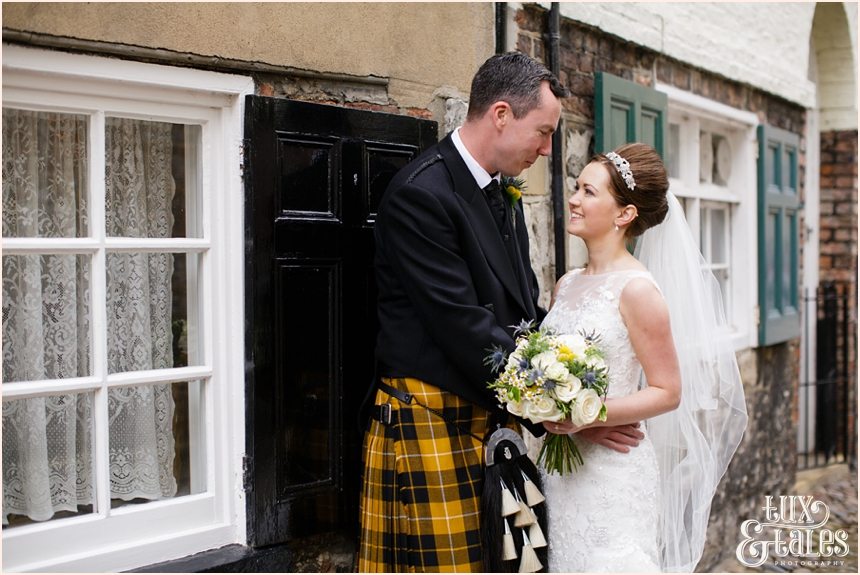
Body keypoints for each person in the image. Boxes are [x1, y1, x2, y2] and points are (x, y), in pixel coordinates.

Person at [357, 51, 571, 573]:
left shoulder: (502, 191)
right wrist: (553, 406)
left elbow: (522, 309)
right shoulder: (421, 195)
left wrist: (574, 385)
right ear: (501, 114)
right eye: (543, 133)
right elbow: (463, 325)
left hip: (490, 422)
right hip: (430, 420)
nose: (547, 149)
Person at [539, 143, 748, 572]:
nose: (574, 200)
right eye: (576, 188)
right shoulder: (566, 284)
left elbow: (668, 391)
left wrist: (587, 416)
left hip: (612, 475)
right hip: (560, 474)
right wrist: (545, 410)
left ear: (625, 214)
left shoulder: (637, 290)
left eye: (588, 192)